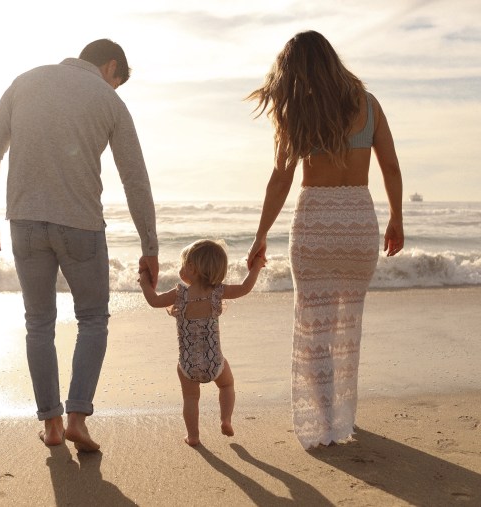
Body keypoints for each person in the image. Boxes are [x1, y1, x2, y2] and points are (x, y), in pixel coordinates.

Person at [0, 39, 159, 452]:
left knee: (38, 323)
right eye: (118, 82)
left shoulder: (24, 82)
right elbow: (135, 179)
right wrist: (150, 245)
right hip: (81, 226)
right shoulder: (108, 102)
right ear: (111, 67)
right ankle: (78, 418)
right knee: (92, 319)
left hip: (24, 222)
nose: (115, 90)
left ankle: (52, 426)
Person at [245, 31, 404, 449]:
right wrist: (396, 219)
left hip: (315, 221)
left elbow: (281, 179)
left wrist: (260, 235)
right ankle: (344, 418)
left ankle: (326, 420)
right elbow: (390, 166)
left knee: (315, 325)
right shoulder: (368, 105)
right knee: (346, 323)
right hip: (358, 221)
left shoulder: (297, 111)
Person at [138, 239, 265, 446]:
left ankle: (194, 436)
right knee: (227, 385)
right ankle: (225, 419)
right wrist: (257, 266)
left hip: (188, 363)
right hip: (214, 361)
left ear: (192, 268)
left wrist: (144, 280)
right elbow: (245, 287)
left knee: (190, 399)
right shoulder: (217, 292)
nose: (180, 269)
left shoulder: (180, 294)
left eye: (182, 264)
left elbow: (154, 301)